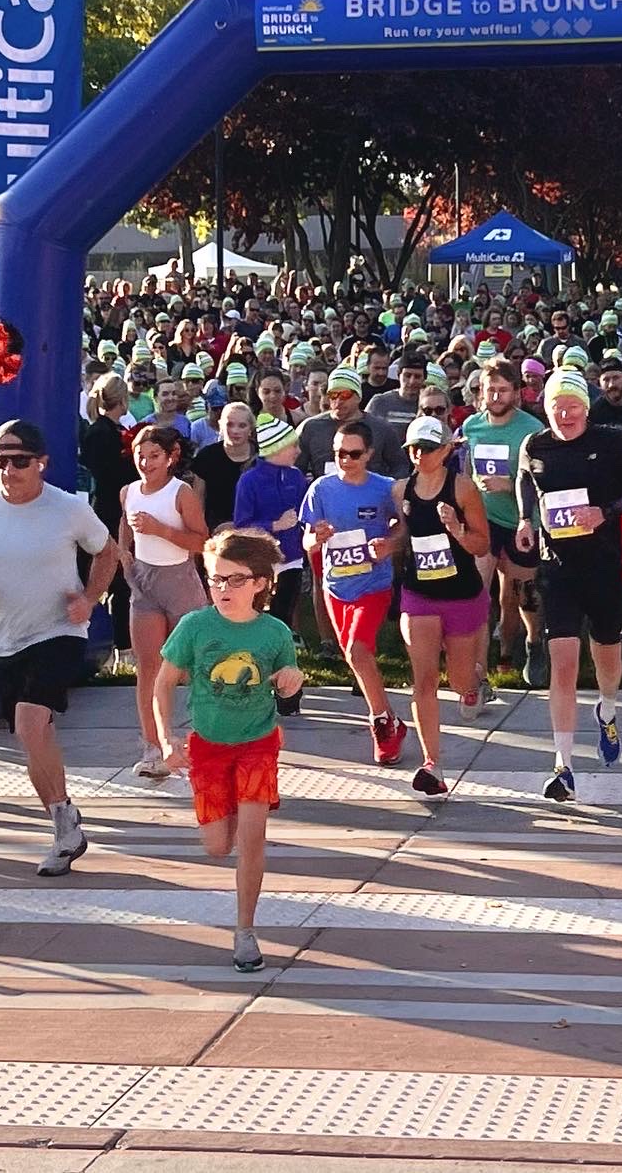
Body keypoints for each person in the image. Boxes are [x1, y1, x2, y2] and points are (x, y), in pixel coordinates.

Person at [0, 420, 117, 875]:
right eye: (1, 462)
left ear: (42, 462)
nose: (9, 471)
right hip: (3, 637)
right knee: (32, 736)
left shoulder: (67, 508)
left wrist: (90, 599)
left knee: (29, 723)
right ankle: (64, 818)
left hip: (59, 630)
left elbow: (108, 551)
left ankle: (63, 826)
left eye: (20, 462)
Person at [155, 525, 303, 973]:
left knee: (252, 839)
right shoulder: (195, 627)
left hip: (258, 745)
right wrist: (165, 740)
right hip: (209, 747)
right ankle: (236, 812)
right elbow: (162, 684)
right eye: (216, 578)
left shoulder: (274, 633)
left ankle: (245, 931)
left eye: (234, 579)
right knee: (218, 846)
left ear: (259, 583)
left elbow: (288, 688)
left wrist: (292, 682)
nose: (223, 588)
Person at [515, 369, 622, 803]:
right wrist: (523, 520)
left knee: (607, 655)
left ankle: (607, 709)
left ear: (586, 409)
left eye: (573, 407)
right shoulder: (536, 444)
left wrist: (605, 512)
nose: (566, 414)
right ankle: (563, 765)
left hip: (605, 565)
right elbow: (525, 480)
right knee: (564, 666)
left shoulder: (610, 443)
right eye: (558, 407)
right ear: (547, 408)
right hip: (559, 569)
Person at [392, 414, 491, 797]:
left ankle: (476, 684)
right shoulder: (401, 489)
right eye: (413, 449)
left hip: (461, 594)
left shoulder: (462, 488)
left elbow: (481, 545)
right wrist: (388, 544)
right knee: (424, 680)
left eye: (428, 448)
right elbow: (404, 530)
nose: (420, 455)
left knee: (459, 680)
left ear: (447, 450)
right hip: (419, 594)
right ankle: (432, 764)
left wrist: (457, 529)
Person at [300, 417, 408, 763]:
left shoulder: (384, 488)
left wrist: (390, 544)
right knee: (353, 656)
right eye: (339, 454)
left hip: (374, 583)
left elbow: (404, 527)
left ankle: (380, 722)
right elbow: (306, 542)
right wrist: (315, 538)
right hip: (337, 585)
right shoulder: (321, 489)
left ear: (370, 454)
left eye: (354, 454)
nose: (346, 461)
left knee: (358, 651)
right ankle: (391, 719)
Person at [120, 424, 210, 777]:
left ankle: (205, 741)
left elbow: (202, 541)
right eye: (140, 456)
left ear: (170, 457)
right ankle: (153, 746)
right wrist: (125, 558)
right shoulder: (128, 492)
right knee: (148, 669)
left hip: (181, 582)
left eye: (154, 456)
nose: (145, 462)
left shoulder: (181, 492)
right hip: (145, 586)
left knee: (194, 667)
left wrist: (161, 530)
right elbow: (125, 530)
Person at [462, 358, 546, 686]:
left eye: (503, 390)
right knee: (478, 593)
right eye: (490, 390)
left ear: (516, 393)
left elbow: (542, 481)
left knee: (518, 596)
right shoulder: (472, 427)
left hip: (523, 520)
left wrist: (509, 485)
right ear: (481, 393)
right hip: (484, 519)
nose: (496, 397)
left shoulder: (532, 430)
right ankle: (478, 669)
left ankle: (528, 643)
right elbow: (468, 470)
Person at [233, 412, 311, 654]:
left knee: (283, 612)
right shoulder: (249, 481)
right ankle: (254, 655)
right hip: (261, 560)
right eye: (293, 446)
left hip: (292, 558)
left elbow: (306, 512)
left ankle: (280, 660)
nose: (298, 452)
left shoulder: (296, 476)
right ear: (276, 449)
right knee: (257, 613)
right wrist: (275, 525)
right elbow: (242, 525)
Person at [79, 373, 136, 672]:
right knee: (117, 580)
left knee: (116, 581)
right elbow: (111, 476)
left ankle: (120, 646)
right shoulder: (104, 435)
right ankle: (121, 647)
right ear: (122, 399)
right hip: (108, 512)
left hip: (105, 510)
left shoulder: (101, 431)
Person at [191, 400, 257, 531]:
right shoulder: (207, 456)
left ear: (250, 429)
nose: (235, 431)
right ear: (220, 426)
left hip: (255, 530)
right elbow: (198, 502)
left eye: (242, 425)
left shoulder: (262, 456)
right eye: (230, 425)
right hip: (216, 531)